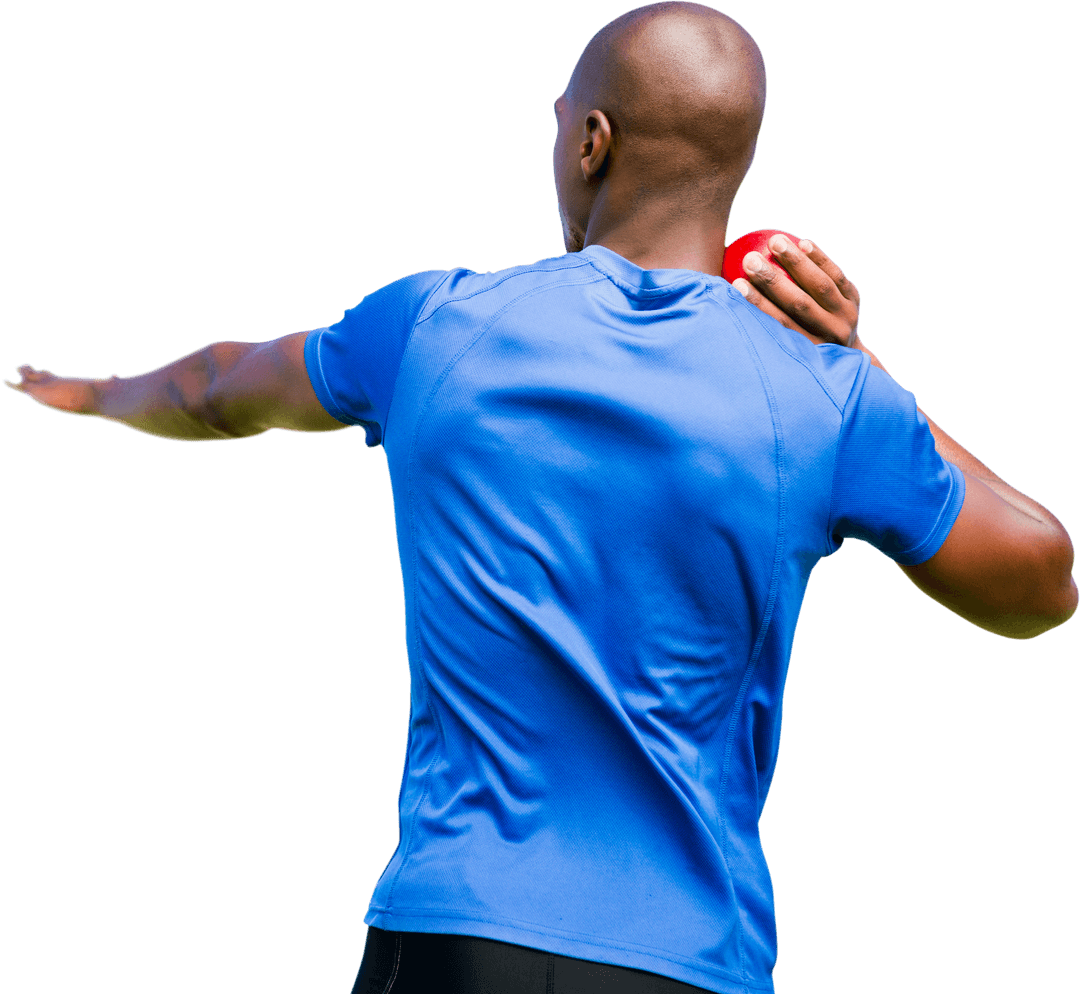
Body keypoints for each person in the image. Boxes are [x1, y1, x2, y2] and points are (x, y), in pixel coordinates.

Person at [5, 2, 1075, 992]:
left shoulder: (433, 327)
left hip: (453, 936)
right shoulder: (825, 395)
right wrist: (864, 369)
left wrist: (94, 393)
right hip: (685, 960)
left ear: (590, 143)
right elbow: (1042, 582)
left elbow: (214, 388)